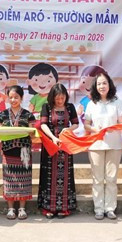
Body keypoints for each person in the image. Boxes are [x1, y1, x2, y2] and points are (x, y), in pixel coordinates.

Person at [83, 72, 122, 220]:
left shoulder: (117, 102)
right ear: (95, 86)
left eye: (104, 83)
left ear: (109, 85)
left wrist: (114, 128)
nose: (102, 86)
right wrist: (95, 129)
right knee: (98, 179)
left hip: (114, 144)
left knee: (111, 178)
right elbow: (86, 125)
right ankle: (99, 209)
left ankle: (110, 208)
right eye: (99, 84)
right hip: (96, 145)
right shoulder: (91, 103)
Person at [0, 85, 36, 220]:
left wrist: (32, 133)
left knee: (24, 179)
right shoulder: (2, 115)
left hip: (24, 152)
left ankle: (22, 208)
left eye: (16, 97)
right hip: (8, 151)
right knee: (9, 180)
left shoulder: (28, 115)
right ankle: (11, 209)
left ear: (22, 98)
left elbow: (32, 134)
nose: (13, 100)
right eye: (10, 97)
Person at [38, 83, 79, 218]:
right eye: (57, 98)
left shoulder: (70, 107)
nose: (60, 101)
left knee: (65, 175)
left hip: (65, 145)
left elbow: (76, 123)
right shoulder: (46, 107)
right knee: (48, 175)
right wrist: (53, 138)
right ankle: (48, 207)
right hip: (50, 144)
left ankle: (64, 207)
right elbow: (43, 125)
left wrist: (68, 129)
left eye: (62, 98)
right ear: (52, 97)